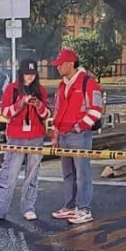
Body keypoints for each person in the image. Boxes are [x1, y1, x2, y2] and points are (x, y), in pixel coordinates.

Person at [0, 59, 50, 224]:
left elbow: (47, 114)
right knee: (8, 174)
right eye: (27, 74)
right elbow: (6, 113)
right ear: (21, 73)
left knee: (32, 175)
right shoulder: (12, 89)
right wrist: (20, 103)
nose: (30, 78)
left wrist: (38, 105)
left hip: (36, 136)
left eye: (33, 74)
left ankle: (28, 207)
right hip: (16, 136)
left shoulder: (40, 90)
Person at [50, 48, 103, 225]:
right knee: (69, 174)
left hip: (79, 135)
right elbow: (57, 111)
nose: (57, 68)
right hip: (64, 134)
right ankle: (70, 206)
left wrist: (79, 127)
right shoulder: (62, 85)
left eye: (60, 64)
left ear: (70, 64)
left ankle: (84, 209)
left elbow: (96, 110)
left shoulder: (88, 83)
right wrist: (55, 135)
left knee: (82, 174)